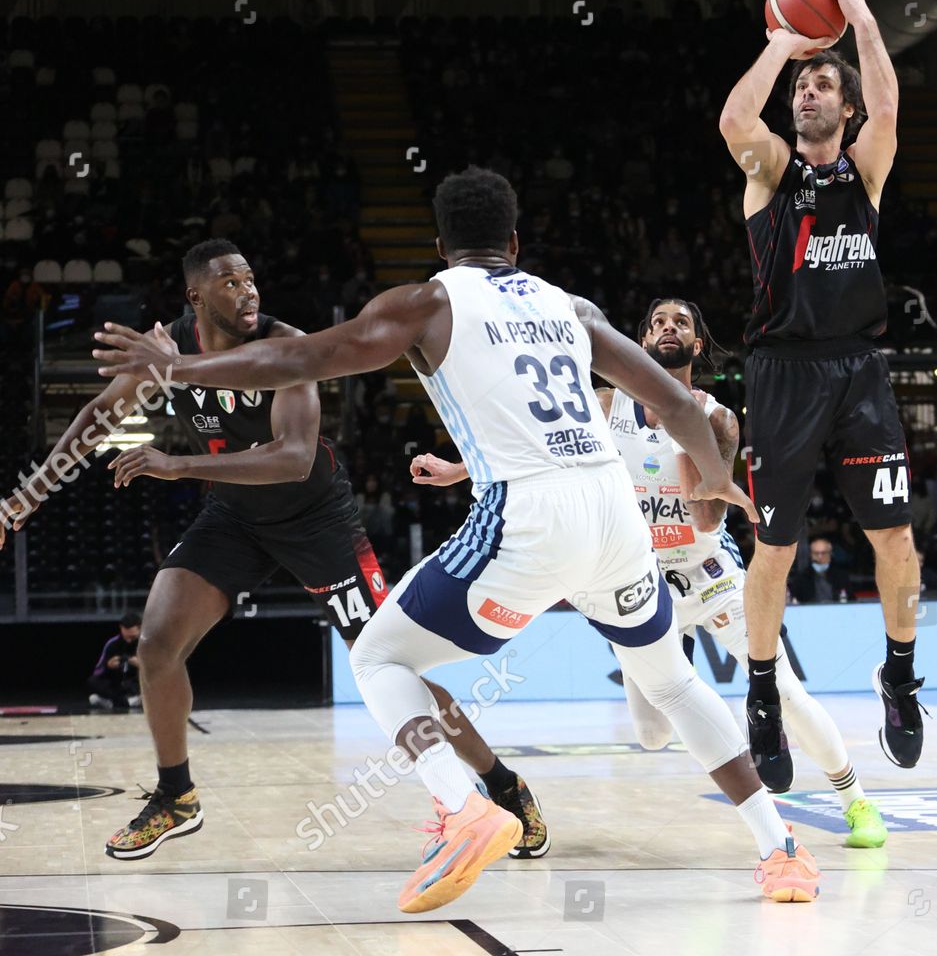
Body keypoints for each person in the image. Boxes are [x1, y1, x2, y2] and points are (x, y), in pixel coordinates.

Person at [93, 168, 821, 906]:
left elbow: (302, 357)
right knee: (671, 681)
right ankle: (782, 850)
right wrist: (713, 480)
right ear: (514, 241)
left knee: (380, 656)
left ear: (440, 245)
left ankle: (463, 809)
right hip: (612, 512)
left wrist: (180, 365)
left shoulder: (427, 302)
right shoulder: (566, 304)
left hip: (527, 519)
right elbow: (672, 400)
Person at [2, 238, 539, 863]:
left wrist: (175, 464)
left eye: (251, 279)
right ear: (196, 296)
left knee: (395, 670)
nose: (248, 291)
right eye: (230, 283)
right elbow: (99, 415)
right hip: (233, 516)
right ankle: (176, 796)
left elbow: (292, 459)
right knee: (155, 644)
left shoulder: (290, 348)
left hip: (317, 521)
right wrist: (25, 498)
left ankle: (502, 785)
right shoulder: (170, 347)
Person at [410, 297, 889, 848]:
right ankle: (709, 700)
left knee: (786, 689)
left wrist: (691, 451)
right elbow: (534, 445)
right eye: (658, 322)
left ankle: (855, 803)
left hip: (710, 574)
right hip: (635, 583)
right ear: (640, 342)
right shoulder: (602, 405)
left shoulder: (716, 418)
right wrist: (456, 469)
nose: (668, 328)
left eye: (681, 322)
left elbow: (708, 515)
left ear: (697, 344)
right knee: (653, 734)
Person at [718, 0, 924, 790]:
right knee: (776, 546)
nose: (808, 92)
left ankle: (900, 679)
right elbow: (737, 115)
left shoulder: (864, 172)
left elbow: (891, 100)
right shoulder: (769, 171)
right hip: (782, 374)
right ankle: (763, 696)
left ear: (845, 109)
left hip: (859, 371)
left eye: (822, 83)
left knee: (896, 539)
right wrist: (782, 42)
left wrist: (862, 17)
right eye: (802, 85)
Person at [88, 611, 142, 710]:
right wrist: (108, 666)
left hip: (135, 683)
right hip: (117, 685)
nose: (129, 641)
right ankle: (127, 702)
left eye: (132, 637)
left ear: (140, 629)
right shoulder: (112, 644)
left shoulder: (145, 645)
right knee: (93, 681)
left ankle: (114, 702)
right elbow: (98, 671)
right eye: (126, 636)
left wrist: (140, 665)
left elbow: (158, 669)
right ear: (121, 628)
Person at [790, 537, 852, 604]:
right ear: (810, 555)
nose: (820, 557)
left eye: (824, 553)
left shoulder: (842, 577)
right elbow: (794, 602)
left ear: (830, 554)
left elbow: (851, 601)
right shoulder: (800, 579)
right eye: (816, 553)